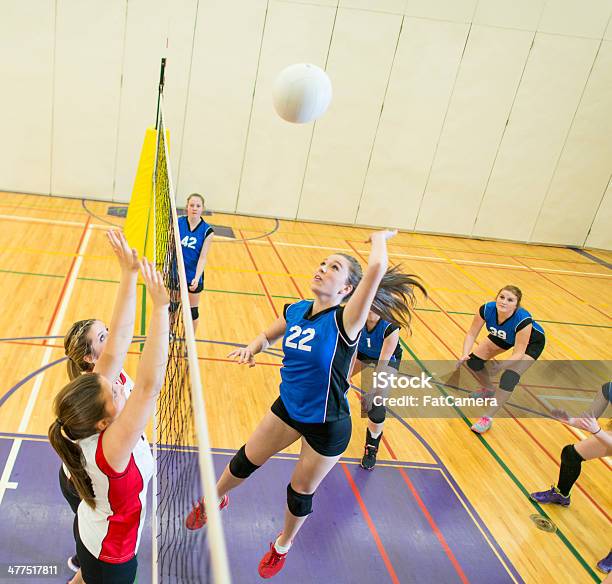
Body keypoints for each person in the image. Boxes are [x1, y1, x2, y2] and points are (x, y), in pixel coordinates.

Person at [186, 230, 425, 579]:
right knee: (244, 460)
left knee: (299, 492)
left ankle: (282, 545)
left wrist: (378, 238)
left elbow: (377, 268)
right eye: (322, 263)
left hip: (327, 425)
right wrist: (253, 348)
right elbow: (269, 334)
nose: (323, 268)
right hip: (288, 408)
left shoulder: (347, 320)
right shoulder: (297, 310)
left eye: (334, 267)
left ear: (347, 290)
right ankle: (215, 499)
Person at [48, 257, 169, 584]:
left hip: (92, 527)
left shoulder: (88, 408)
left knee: (85, 577)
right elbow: (147, 386)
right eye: (113, 392)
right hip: (110, 552)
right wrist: (160, 311)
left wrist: (129, 275)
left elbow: (117, 351)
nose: (117, 385)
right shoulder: (110, 450)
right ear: (104, 423)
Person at [60, 231, 139, 574]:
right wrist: (129, 273)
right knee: (95, 522)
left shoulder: (106, 377)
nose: (112, 337)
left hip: (80, 474)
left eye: (105, 330)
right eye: (102, 338)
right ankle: (87, 560)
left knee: (92, 521)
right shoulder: (98, 381)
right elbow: (124, 330)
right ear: (92, 359)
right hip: (82, 480)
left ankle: (85, 562)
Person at [530, 381, 611, 576]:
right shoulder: (608, 388)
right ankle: (561, 494)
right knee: (571, 454)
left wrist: (598, 432)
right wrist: (567, 419)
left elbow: (596, 430)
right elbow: (589, 419)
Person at [456, 285, 545, 434]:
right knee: (473, 361)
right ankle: (489, 389)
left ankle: (487, 418)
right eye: (502, 297)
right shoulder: (486, 309)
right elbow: (471, 334)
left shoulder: (523, 320)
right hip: (504, 335)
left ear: (516, 305)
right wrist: (464, 353)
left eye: (510, 300)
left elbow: (519, 353)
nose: (504, 302)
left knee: (509, 377)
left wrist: (502, 365)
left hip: (530, 343)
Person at [351, 304, 412, 470]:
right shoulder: (355, 317)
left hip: (386, 359)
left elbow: (383, 362)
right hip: (361, 353)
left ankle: (371, 446)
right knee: (336, 380)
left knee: (376, 403)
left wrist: (372, 391)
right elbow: (351, 348)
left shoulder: (390, 328)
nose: (370, 307)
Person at [178, 193, 214, 332]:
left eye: (198, 206)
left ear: (202, 208)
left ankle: (190, 341)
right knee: (173, 307)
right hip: (177, 273)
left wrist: (197, 278)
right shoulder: (178, 223)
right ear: (187, 207)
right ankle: (169, 335)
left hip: (193, 275)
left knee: (193, 312)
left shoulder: (207, 231)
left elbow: (203, 257)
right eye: (192, 205)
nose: (194, 208)